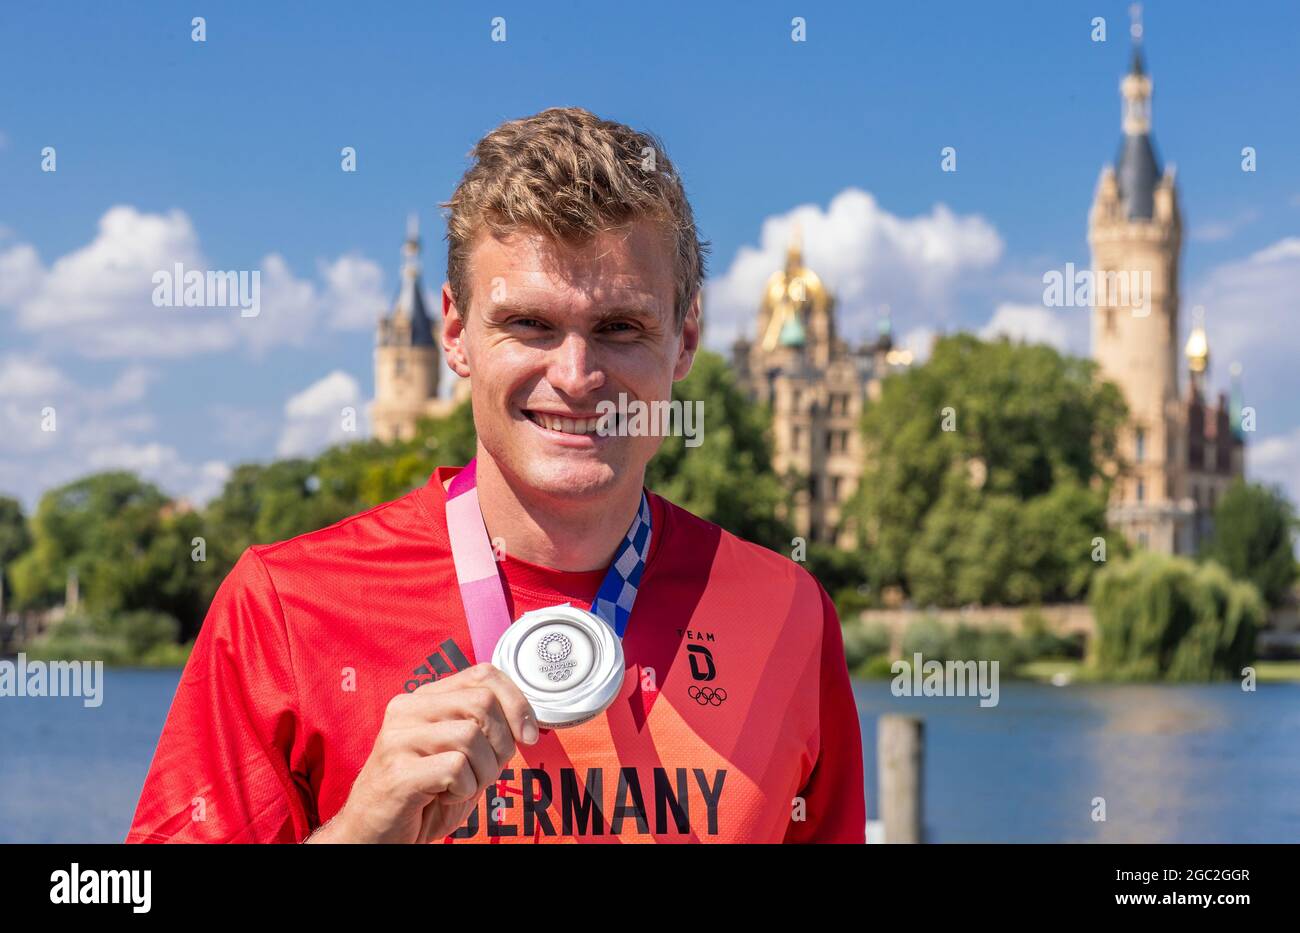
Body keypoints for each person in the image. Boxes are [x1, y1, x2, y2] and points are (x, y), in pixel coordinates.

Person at [125, 107, 865, 843]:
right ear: (455, 334)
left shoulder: (788, 617)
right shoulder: (282, 611)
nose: (576, 377)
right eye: (531, 325)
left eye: (621, 328)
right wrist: (355, 835)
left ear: (685, 342)